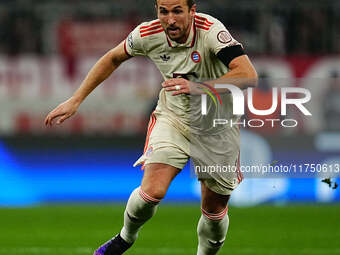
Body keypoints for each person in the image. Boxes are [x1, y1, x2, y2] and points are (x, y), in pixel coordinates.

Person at [44, 0, 258, 254]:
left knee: (213, 209)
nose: (169, 19)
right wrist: (76, 99)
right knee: (152, 191)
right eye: (163, 11)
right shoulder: (147, 34)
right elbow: (113, 58)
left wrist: (199, 87)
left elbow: (248, 74)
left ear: (192, 10)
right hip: (173, 119)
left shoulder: (211, 31)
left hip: (216, 128)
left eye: (177, 11)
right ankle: (125, 237)